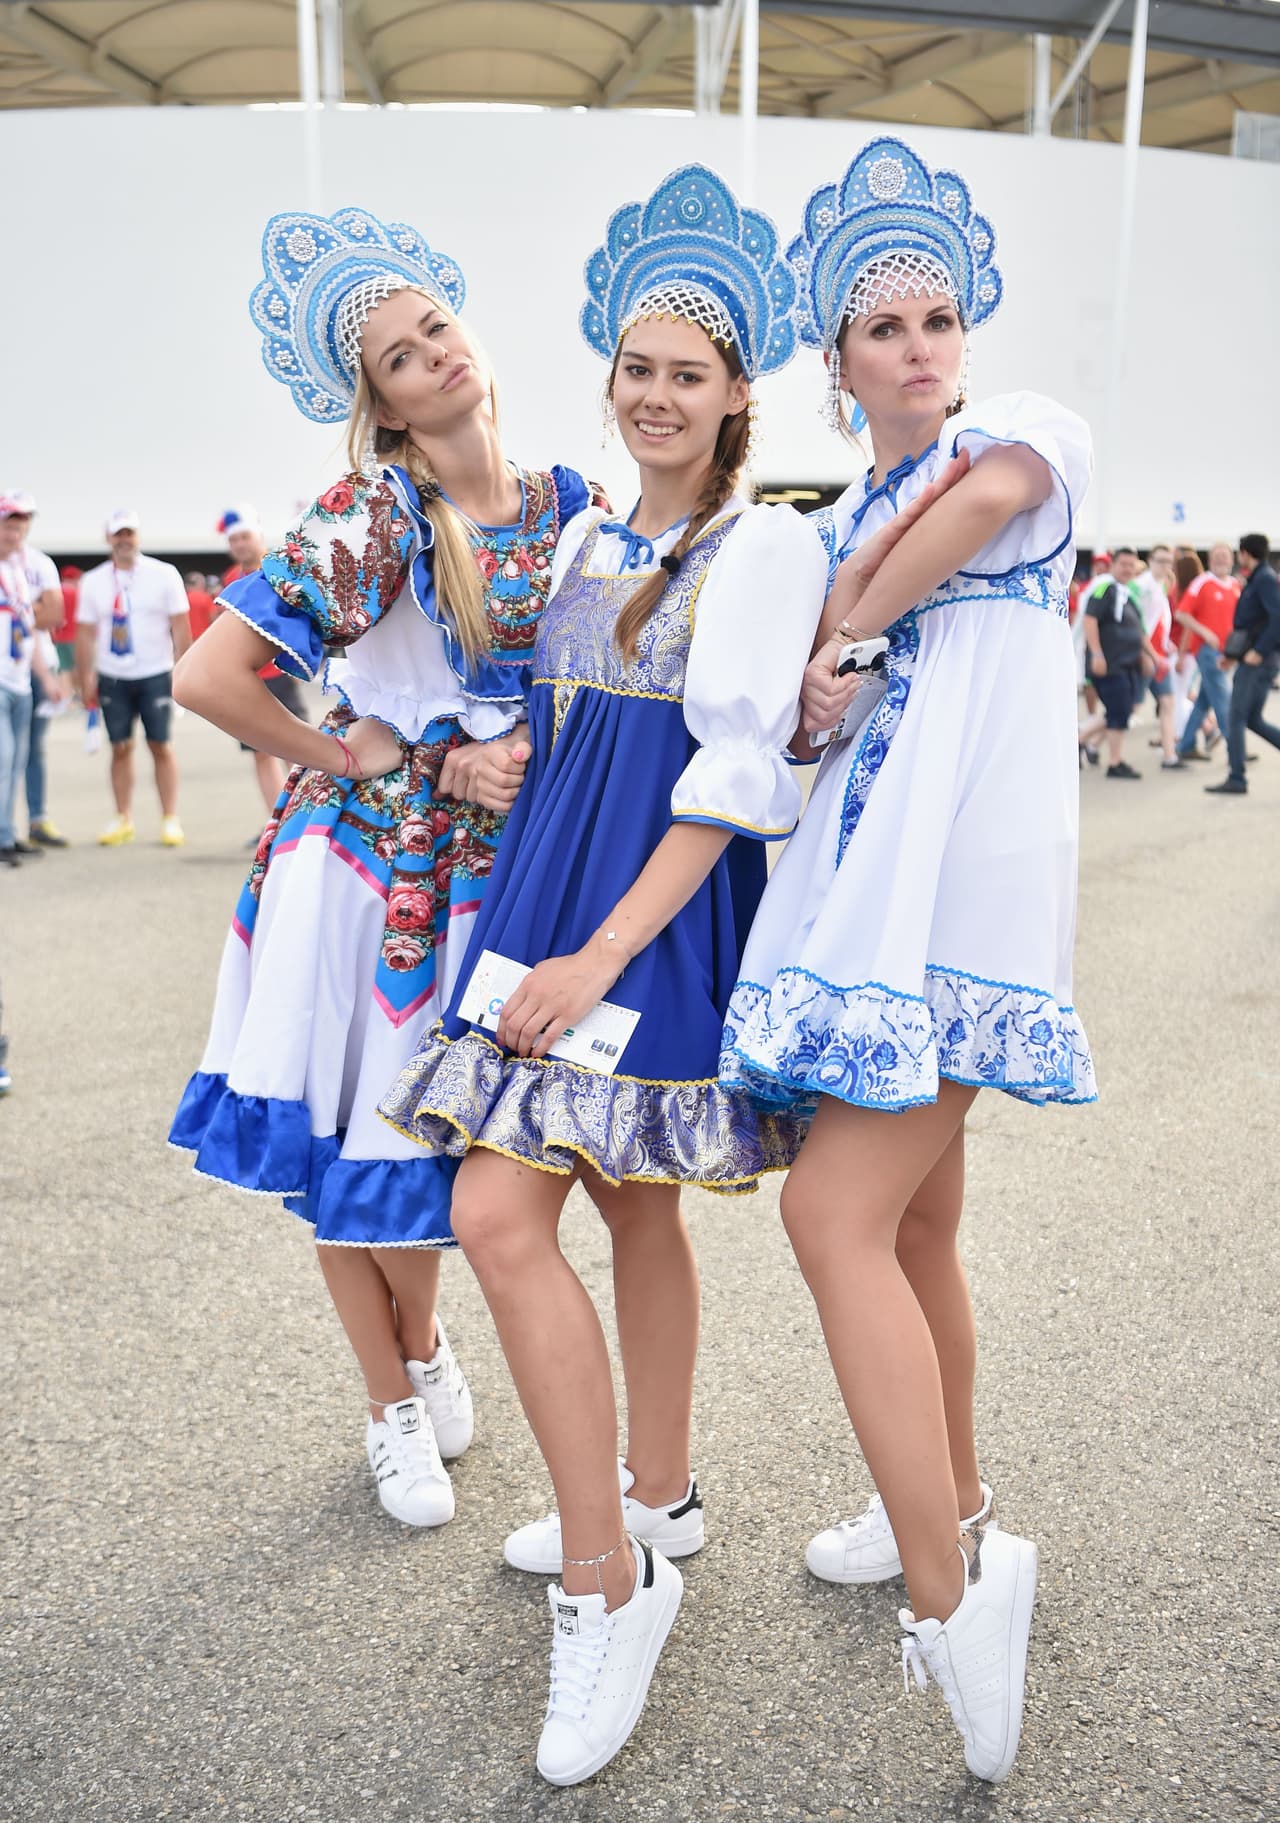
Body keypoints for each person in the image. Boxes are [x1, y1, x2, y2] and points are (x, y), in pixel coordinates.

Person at [379, 165, 828, 1787]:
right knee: (601, 1207)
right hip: (540, 902)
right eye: (635, 368)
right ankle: (655, 1493)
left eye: (685, 374)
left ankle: (610, 1568)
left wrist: (598, 951)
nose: (653, 395)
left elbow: (730, 781)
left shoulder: (763, 549)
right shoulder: (576, 528)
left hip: (638, 921)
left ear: (732, 399)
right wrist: (487, 760)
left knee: (514, 1217)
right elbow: (556, 721)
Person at [719, 137, 1095, 1786]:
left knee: (833, 1211)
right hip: (874, 892)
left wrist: (851, 619)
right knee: (920, 1216)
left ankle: (960, 1594)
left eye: (940, 314)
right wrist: (829, 652)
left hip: (966, 898)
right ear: (840, 361)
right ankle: (945, 1494)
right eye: (886, 327)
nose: (923, 344)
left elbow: (984, 514)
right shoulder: (847, 512)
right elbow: (815, 712)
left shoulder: (1033, 436)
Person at [169, 206, 601, 1530]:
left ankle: (418, 1346)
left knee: (444, 1158)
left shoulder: (568, 500)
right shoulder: (379, 509)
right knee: (359, 1141)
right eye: (402, 358)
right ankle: (392, 1395)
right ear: (384, 403)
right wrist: (368, 755)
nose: (434, 358)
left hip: (502, 872)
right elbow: (210, 676)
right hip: (368, 874)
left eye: (437, 329)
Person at [75, 511, 191, 846]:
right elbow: (84, 634)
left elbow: (180, 625)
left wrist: (182, 669)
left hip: (155, 672)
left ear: (138, 536)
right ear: (108, 538)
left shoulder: (163, 574)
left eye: (130, 533)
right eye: (118, 534)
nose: (124, 539)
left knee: (160, 745)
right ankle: (122, 816)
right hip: (113, 675)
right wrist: (85, 678)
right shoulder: (93, 581)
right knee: (120, 746)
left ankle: (170, 818)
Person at [216, 504, 312, 823]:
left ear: (257, 537)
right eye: (234, 540)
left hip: (280, 672)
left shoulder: (278, 567)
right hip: (247, 678)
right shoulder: (231, 578)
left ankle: (305, 817)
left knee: (297, 747)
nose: (240, 545)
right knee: (259, 751)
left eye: (245, 537)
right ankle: (276, 821)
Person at [0, 491, 63, 866]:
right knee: (4, 757)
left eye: (22, 521)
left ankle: (8, 833)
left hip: (21, 680)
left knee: (17, 759)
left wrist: (47, 678)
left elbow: (34, 630)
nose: (16, 528)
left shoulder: (18, 572)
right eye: (10, 521)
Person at [1204, 533, 1280, 796]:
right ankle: (1236, 775)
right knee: (1253, 719)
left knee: (1235, 716)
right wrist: (1234, 655)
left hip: (1260, 661)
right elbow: (1253, 624)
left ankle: (1237, 777)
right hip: (1252, 659)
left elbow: (1277, 619)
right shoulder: (1258, 579)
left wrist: (1259, 651)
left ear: (1246, 553)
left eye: (1239, 552)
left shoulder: (1265, 579)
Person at [1077, 548, 1159, 778]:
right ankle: (1113, 761)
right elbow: (1090, 619)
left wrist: (1150, 655)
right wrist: (1097, 654)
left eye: (1131, 565)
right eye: (1123, 564)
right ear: (1113, 565)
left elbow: (1139, 631)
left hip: (1128, 664)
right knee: (1119, 711)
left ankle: (1081, 740)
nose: (1127, 569)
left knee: (1120, 711)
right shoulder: (1105, 588)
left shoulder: (1128, 594)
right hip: (1110, 664)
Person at [1137, 544, 1181, 769]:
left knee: (1168, 703)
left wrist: (1166, 644)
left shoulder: (1159, 586)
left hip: (1159, 656)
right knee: (1127, 710)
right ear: (1151, 560)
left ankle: (1169, 756)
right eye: (1161, 560)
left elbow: (1157, 622)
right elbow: (1136, 624)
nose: (1165, 565)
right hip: (1145, 657)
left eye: (1168, 561)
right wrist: (1150, 653)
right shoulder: (1142, 585)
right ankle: (1084, 738)